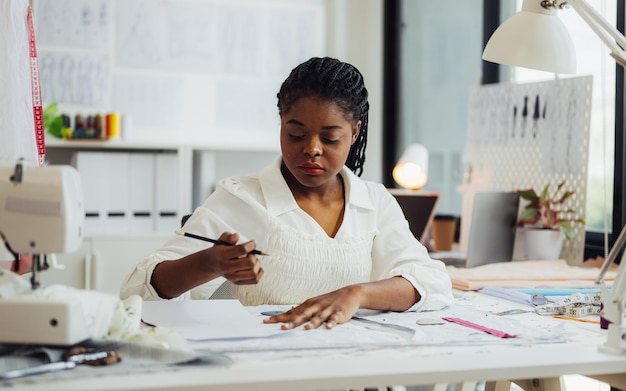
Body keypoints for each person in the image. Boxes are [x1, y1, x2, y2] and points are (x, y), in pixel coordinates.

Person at [121, 56, 454, 330]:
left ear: (354, 133)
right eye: (296, 134)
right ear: (281, 124)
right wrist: (209, 263)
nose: (311, 149)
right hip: (268, 372)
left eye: (330, 138)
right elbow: (137, 292)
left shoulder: (375, 202)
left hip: (350, 369)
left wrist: (357, 294)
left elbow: (431, 283)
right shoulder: (244, 197)